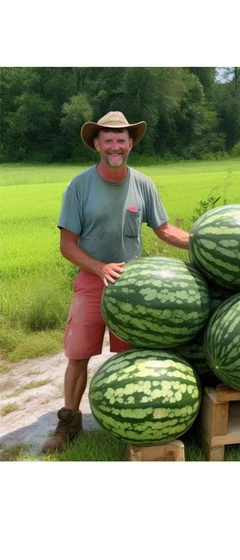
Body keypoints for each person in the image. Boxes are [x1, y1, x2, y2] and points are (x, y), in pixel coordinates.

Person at [42, 111, 190, 453]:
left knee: (133, 357)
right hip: (92, 280)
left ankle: (133, 420)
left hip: (133, 286)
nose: (115, 145)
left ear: (130, 144)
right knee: (78, 355)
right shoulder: (79, 186)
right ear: (97, 144)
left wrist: (199, 240)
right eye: (107, 139)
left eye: (121, 139)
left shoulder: (143, 184)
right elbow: (67, 245)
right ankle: (69, 423)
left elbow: (165, 230)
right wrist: (99, 268)